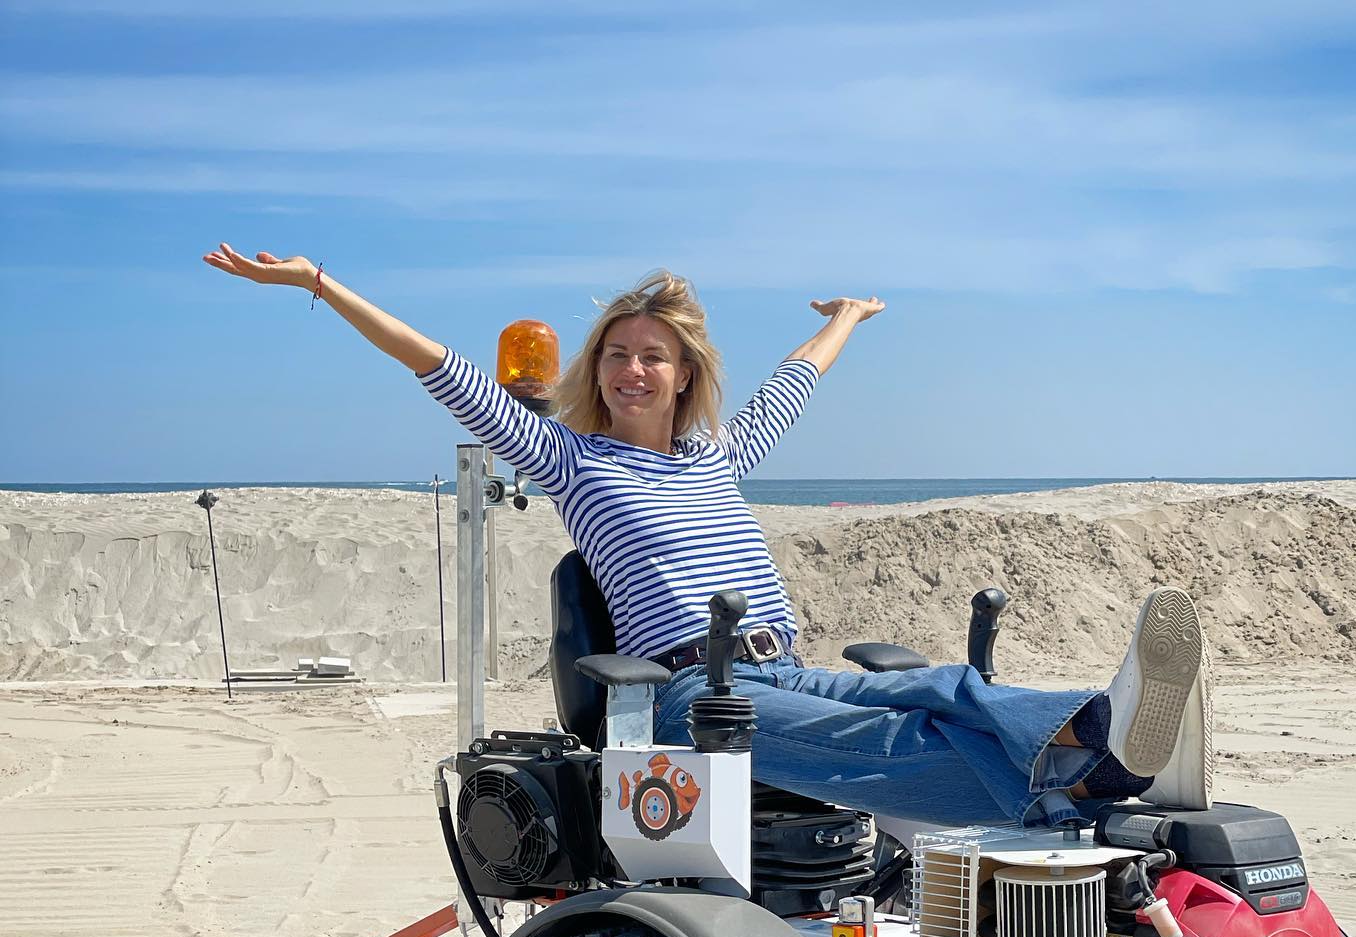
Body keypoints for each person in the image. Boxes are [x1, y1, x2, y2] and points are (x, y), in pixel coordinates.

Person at [201, 247, 1212, 824]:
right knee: (887, 739)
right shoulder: (568, 458)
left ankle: (1098, 741)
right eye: (617, 357)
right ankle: (1072, 783)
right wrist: (321, 286)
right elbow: (445, 371)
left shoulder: (713, 455)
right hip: (692, 694)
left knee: (943, 690)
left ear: (683, 375)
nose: (631, 371)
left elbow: (794, 382)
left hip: (782, 666)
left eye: (653, 357)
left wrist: (850, 316)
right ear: (594, 372)